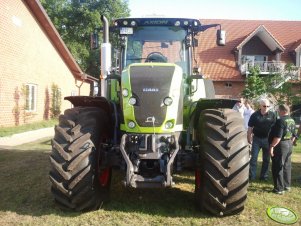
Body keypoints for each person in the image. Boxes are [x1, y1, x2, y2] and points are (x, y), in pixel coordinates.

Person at [268, 104, 296, 194]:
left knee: (278, 166)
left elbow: (278, 137)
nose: (278, 112)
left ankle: (279, 189)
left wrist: (272, 146)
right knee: (287, 165)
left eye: (279, 110)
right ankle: (287, 185)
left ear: (283, 111)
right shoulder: (292, 120)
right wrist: (290, 142)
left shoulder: (280, 121)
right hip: (289, 144)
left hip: (280, 145)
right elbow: (294, 135)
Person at [248, 98, 276, 181]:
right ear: (260, 106)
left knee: (266, 160)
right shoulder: (254, 115)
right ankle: (252, 176)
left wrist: (274, 140)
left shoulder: (273, 115)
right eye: (264, 106)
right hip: (256, 139)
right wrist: (249, 138)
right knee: (253, 159)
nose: (266, 107)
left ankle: (264, 176)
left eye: (268, 106)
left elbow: (276, 128)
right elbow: (250, 127)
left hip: (268, 140)